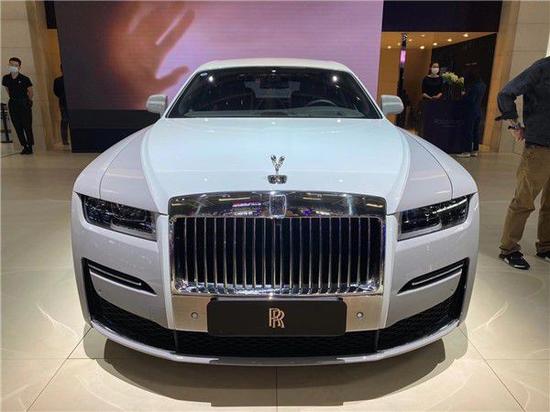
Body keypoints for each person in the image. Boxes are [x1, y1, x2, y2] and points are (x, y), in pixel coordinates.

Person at [496, 56, 550, 269]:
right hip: (540, 147)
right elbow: (506, 93)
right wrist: (514, 124)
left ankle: (545, 246)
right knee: (524, 200)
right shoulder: (543, 68)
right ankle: (509, 248)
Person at [2, 57, 34, 154]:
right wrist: (13, 99)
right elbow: (8, 90)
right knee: (17, 126)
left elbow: (30, 92)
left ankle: (30, 146)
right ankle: (24, 145)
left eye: (15, 65)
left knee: (27, 125)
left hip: (24, 103)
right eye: (11, 64)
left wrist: (27, 101)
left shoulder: (24, 79)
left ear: (19, 67)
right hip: (13, 103)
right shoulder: (6, 78)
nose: (13, 67)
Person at [457, 69, 487, 158]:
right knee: (476, 131)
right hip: (478, 110)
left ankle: (466, 151)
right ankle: (475, 150)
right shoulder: (482, 85)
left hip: (470, 111)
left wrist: (464, 95)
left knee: (468, 131)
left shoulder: (473, 86)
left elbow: (470, 99)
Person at [53, 65, 69, 145]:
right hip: (63, 102)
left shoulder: (72, 79)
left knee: (67, 121)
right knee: (65, 120)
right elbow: (56, 91)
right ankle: (65, 140)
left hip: (71, 103)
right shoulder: (57, 80)